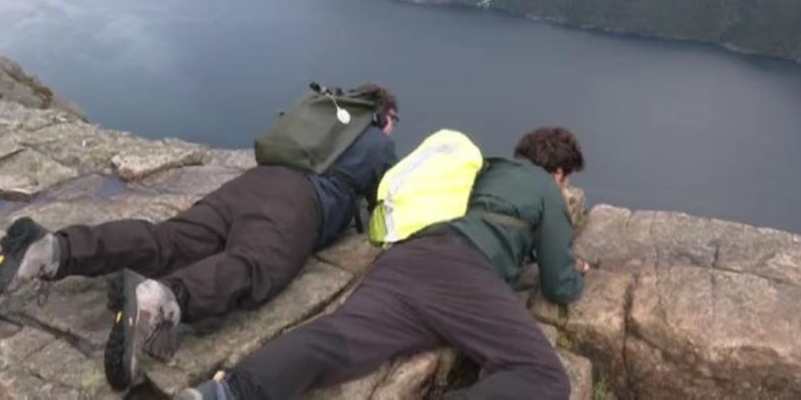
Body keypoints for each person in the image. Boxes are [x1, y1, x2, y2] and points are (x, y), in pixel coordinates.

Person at [0, 83, 400, 391]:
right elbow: (388, 202)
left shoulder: (325, 119)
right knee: (254, 265)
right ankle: (159, 301)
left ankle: (52, 249)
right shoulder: (377, 141)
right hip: (296, 205)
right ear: (385, 116)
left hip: (248, 186)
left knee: (166, 241)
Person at [188, 126, 587, 400]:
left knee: (337, 338)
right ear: (558, 174)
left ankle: (229, 391)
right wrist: (577, 272)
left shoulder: (480, 169)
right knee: (543, 376)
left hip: (406, 258)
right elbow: (559, 285)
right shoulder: (543, 188)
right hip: (461, 272)